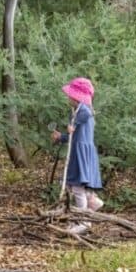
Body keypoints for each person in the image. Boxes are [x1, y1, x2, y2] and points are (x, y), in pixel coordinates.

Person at [51, 77, 104, 234]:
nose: (68, 98)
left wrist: (72, 125)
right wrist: (61, 137)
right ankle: (92, 201)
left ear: (77, 96)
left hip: (82, 152)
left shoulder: (83, 111)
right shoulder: (75, 113)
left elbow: (86, 115)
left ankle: (83, 222)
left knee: (77, 186)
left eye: (70, 95)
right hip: (77, 151)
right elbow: (73, 135)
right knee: (77, 184)